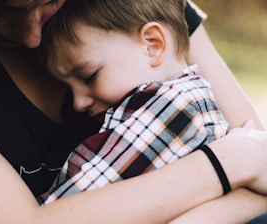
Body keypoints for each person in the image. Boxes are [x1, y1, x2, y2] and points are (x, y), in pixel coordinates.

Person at [0, 0, 266, 223]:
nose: (32, 37)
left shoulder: (135, 12)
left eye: (44, 3)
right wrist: (227, 163)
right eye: (1, 14)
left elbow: (262, 174)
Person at [37, 0, 230, 204]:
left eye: (89, 76)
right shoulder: (190, 99)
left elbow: (73, 202)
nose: (78, 103)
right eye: (68, 88)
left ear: (153, 45)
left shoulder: (171, 109)